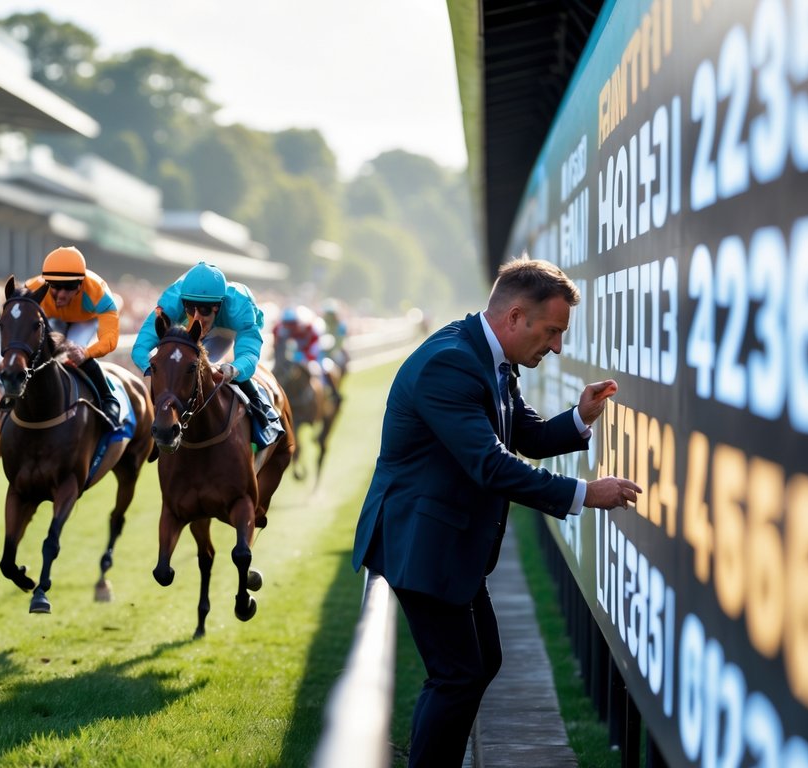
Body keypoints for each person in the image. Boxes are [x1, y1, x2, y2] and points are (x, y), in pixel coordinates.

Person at [351, 258, 641, 768]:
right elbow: (490, 464)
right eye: (551, 331)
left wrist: (580, 417)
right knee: (458, 674)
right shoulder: (453, 362)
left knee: (480, 663)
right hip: (421, 543)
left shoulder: (486, 353)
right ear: (514, 318)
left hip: (446, 542)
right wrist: (582, 494)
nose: (556, 346)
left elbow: (522, 434)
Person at [131, 261, 282, 437]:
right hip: (196, 329)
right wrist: (154, 370)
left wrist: (234, 369)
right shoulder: (172, 299)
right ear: (183, 301)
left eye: (203, 310)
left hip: (227, 328)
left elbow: (248, 354)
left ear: (217, 306)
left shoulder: (240, 306)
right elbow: (140, 348)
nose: (196, 317)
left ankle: (262, 409)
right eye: (190, 308)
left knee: (210, 365)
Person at [22, 245, 121, 422]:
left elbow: (110, 339)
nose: (61, 294)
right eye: (55, 286)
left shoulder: (99, 292)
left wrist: (86, 353)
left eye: (68, 287)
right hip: (51, 319)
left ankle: (108, 399)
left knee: (73, 353)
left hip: (85, 321)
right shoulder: (31, 289)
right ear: (46, 283)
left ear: (80, 285)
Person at [273, 305, 340, 403]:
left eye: (291, 324)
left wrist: (303, 357)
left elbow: (314, 348)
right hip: (288, 360)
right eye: (286, 324)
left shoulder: (310, 329)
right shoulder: (279, 329)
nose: (288, 327)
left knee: (322, 370)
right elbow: (277, 346)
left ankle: (329, 395)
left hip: (310, 358)